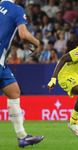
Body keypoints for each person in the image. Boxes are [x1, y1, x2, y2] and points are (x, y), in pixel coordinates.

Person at [0, 0, 44, 147]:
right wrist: (37, 43)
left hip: (2, 62)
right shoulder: (16, 9)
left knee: (14, 92)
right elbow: (23, 34)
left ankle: (22, 137)